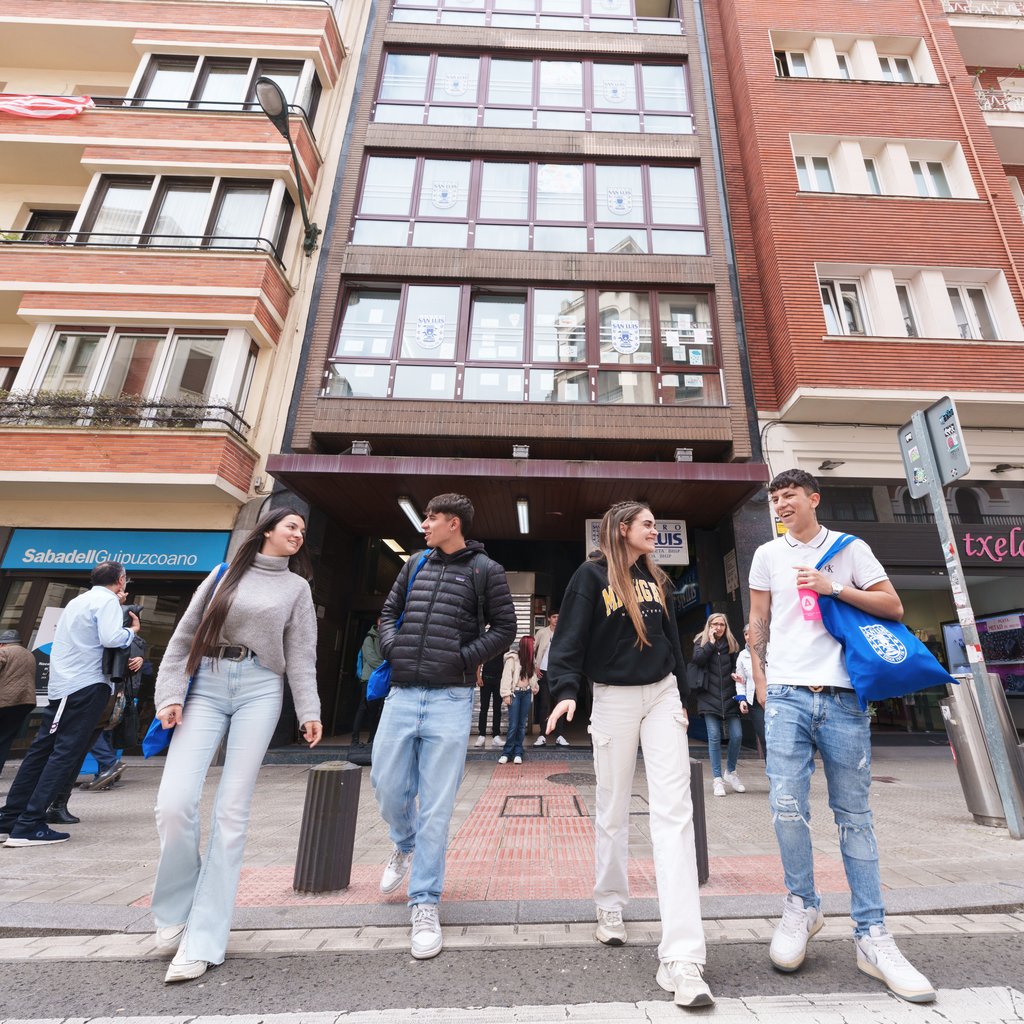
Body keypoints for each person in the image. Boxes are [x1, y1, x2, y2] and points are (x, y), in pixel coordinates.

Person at [748, 469, 935, 1003]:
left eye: (789, 497)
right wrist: (762, 680)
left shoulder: (851, 548)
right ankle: (801, 906)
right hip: (785, 695)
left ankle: (872, 933)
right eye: (775, 499)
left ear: (814, 498)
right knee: (786, 806)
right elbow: (757, 619)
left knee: (854, 815)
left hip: (844, 697)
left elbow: (893, 607)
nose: (781, 505)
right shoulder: (767, 555)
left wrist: (835, 587)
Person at [546, 501, 713, 1008]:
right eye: (647, 525)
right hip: (613, 697)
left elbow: (672, 643)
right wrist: (566, 690)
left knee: (674, 814)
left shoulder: (656, 578)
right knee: (613, 808)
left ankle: (683, 957)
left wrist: (683, 696)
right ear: (623, 530)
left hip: (661, 695)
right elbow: (569, 639)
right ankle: (611, 904)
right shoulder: (590, 575)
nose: (654, 532)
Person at [150, 507, 322, 984]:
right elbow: (185, 635)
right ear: (268, 529)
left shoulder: (297, 589)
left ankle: (204, 938)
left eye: (304, 532)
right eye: (292, 527)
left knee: (231, 812)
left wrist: (309, 710)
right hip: (206, 681)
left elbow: (302, 654)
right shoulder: (224, 573)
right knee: (174, 803)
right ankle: (175, 908)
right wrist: (169, 694)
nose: (298, 535)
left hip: (261, 687)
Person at [371, 493, 515, 960]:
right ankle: (403, 843)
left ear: (453, 523)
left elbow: (505, 628)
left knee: (436, 805)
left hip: (452, 697)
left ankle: (425, 902)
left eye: (431, 518)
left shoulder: (485, 571)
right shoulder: (414, 563)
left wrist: (461, 658)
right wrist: (394, 648)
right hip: (402, 692)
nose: (425, 524)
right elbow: (388, 614)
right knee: (387, 786)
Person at [0, 562, 139, 847]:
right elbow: (111, 637)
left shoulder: (78, 601)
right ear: (121, 580)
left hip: (65, 686)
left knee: (42, 750)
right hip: (84, 686)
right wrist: (132, 630)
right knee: (65, 752)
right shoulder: (107, 601)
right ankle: (29, 824)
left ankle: (11, 817)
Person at [47, 590, 146, 825]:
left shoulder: (126, 637)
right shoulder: (100, 629)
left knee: (77, 749)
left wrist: (140, 661)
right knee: (69, 750)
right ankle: (49, 803)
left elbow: (127, 664)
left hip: (105, 697)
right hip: (87, 692)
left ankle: (58, 802)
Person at [691, 612, 744, 798]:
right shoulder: (701, 641)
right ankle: (717, 779)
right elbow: (698, 660)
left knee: (737, 736)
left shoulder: (731, 644)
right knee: (714, 737)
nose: (718, 627)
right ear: (709, 625)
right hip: (708, 696)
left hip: (730, 696)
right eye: (715, 624)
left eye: (722, 624)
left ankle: (730, 772)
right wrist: (711, 643)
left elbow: (735, 667)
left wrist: (736, 676)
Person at [0, 630, 37, 778]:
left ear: (2, 643)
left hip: (5, 701)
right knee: (5, 737)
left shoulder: (5, 651)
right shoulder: (29, 654)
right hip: (25, 702)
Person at [497, 636, 538, 765]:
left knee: (521, 725)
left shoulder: (531, 660)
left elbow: (532, 677)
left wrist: (535, 686)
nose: (534, 646)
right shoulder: (513, 659)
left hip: (526, 693)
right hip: (515, 694)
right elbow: (506, 677)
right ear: (527, 646)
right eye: (533, 644)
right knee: (513, 725)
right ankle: (506, 753)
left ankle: (518, 752)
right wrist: (506, 694)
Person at [533, 611, 568, 747]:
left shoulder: (564, 632)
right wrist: (535, 666)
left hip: (559, 673)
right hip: (544, 672)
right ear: (549, 618)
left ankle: (559, 735)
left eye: (559, 617)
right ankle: (542, 735)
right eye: (554, 617)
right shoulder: (542, 632)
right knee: (544, 704)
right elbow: (532, 648)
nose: (556, 620)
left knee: (559, 704)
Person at [732, 623, 765, 757]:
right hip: (755, 702)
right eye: (746, 634)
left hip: (774, 698)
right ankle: (772, 775)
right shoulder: (742, 656)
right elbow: (740, 681)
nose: (748, 636)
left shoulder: (770, 650)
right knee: (764, 737)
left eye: (751, 633)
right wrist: (742, 699)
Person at [351, 618, 384, 746]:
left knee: (376, 711)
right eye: (383, 623)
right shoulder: (369, 639)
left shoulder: (386, 638)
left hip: (381, 680)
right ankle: (355, 740)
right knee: (363, 708)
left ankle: (372, 739)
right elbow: (371, 658)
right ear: (378, 625)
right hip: (369, 679)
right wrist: (387, 668)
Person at [474, 652, 504, 748]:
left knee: (497, 708)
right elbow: (479, 662)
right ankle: (481, 735)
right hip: (486, 679)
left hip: (499, 680)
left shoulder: (504, 646)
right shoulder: (488, 645)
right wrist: (478, 677)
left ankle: (496, 736)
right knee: (484, 708)